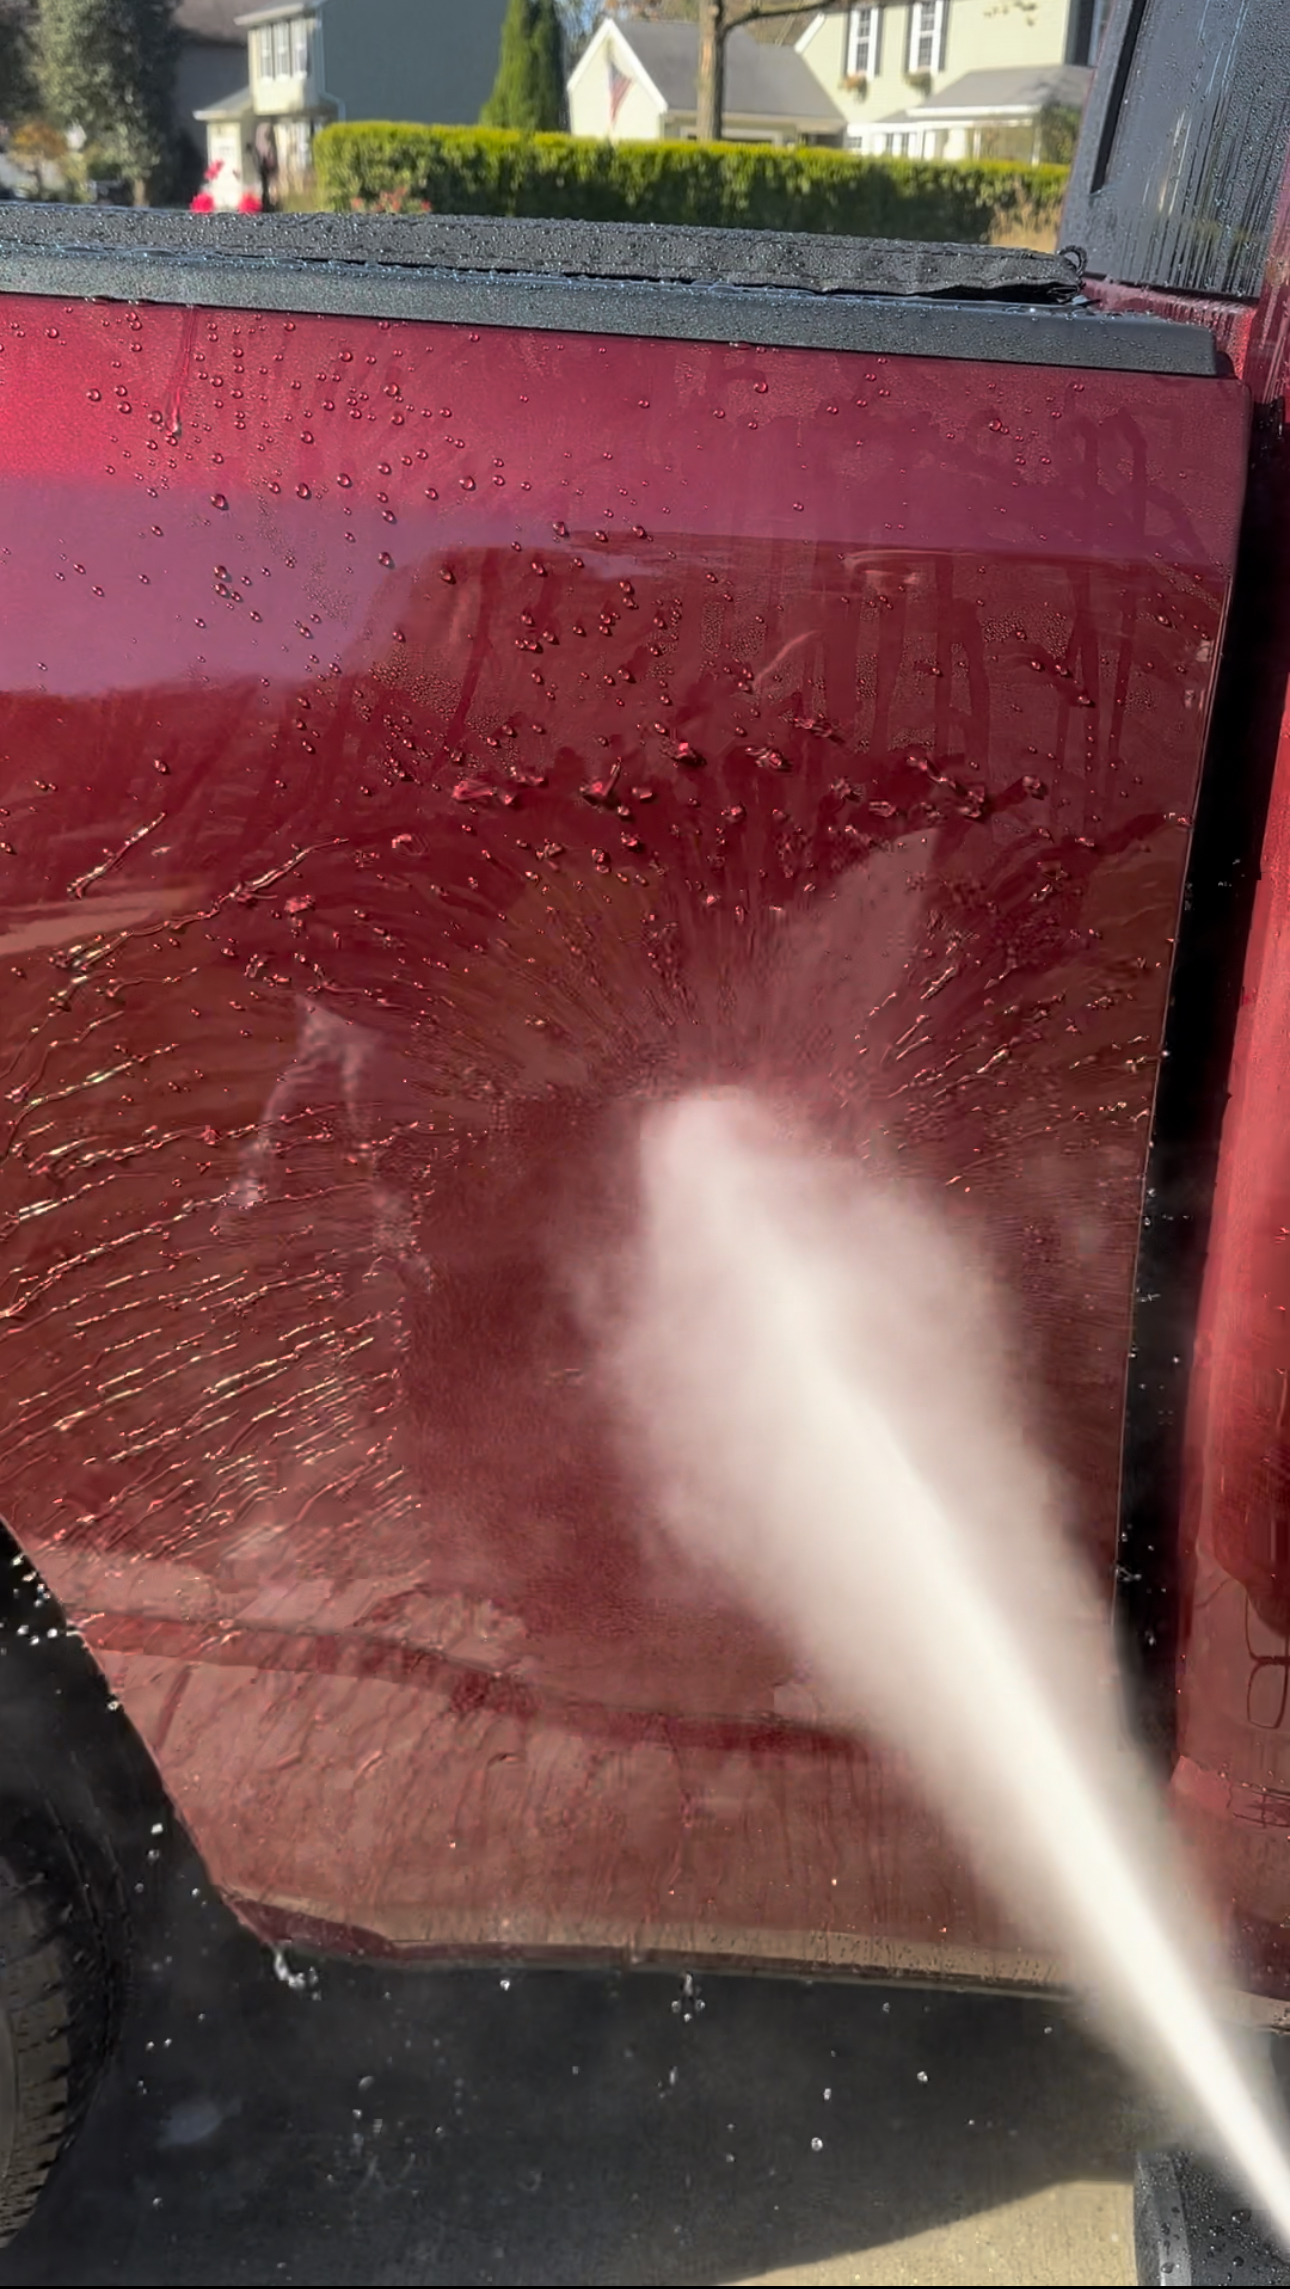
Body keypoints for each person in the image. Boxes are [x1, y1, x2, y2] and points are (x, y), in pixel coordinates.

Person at [253, 119, 278, 213]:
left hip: (269, 174)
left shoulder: (268, 146)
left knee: (270, 189)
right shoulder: (262, 145)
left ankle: (270, 203)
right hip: (265, 174)